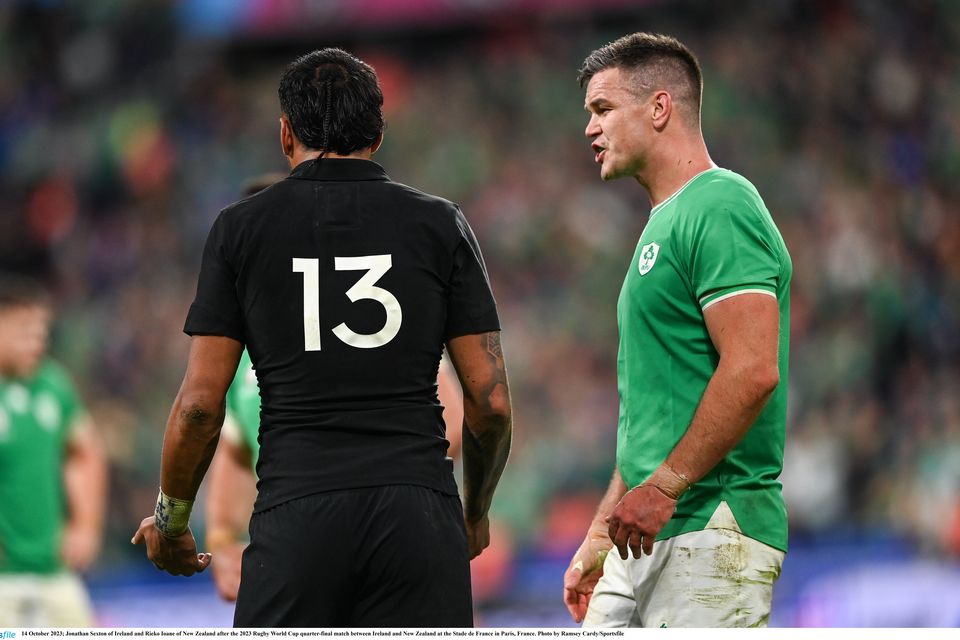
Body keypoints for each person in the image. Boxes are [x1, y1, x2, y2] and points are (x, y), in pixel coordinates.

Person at [133, 48, 512, 628]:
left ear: (286, 134)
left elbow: (199, 409)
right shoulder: (440, 224)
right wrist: (475, 509)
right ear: (378, 133)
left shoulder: (241, 229)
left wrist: (171, 520)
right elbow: (489, 402)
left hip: (298, 519)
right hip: (418, 514)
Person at [563, 32, 792, 628]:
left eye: (603, 109)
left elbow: (752, 368)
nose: (590, 128)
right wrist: (600, 530)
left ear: (659, 108)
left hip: (712, 525)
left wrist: (663, 489)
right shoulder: (663, 223)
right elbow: (653, 413)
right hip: (645, 533)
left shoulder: (721, 204)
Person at [203, 175, 468, 603]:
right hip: (297, 535)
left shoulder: (370, 317)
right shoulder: (245, 358)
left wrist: (379, 490)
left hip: (385, 526)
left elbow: (454, 422)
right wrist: (221, 540)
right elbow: (235, 450)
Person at [0, 274, 108, 627]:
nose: (37, 341)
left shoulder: (53, 385)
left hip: (53, 570)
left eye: (41, 331)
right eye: (24, 330)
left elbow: (87, 452)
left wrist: (86, 526)